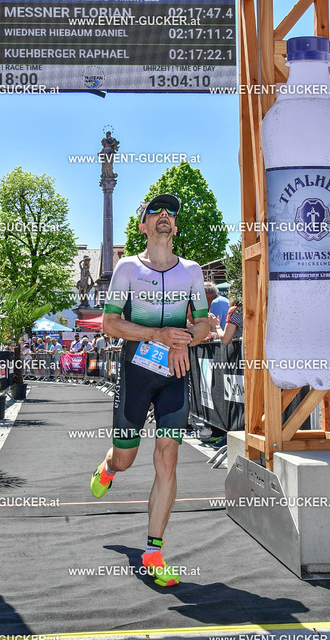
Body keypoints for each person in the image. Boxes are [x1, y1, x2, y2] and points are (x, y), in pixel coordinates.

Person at [90, 193, 209, 587]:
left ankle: (154, 550)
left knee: (168, 455)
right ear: (143, 225)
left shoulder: (190, 271)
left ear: (175, 226)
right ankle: (109, 468)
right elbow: (109, 323)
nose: (164, 215)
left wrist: (184, 339)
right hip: (136, 373)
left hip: (174, 372)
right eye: (155, 211)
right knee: (126, 459)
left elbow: (204, 324)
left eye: (171, 212)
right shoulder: (127, 267)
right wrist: (156, 334)